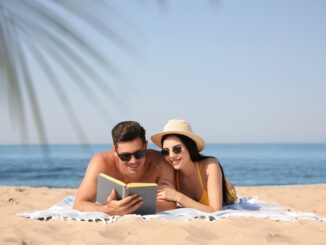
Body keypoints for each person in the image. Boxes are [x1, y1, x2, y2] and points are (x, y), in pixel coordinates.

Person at [73, 121, 176, 215]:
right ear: (115, 151)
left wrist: (128, 208)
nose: (133, 161)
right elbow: (79, 204)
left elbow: (170, 204)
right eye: (125, 156)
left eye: (139, 154)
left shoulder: (161, 162)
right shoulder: (101, 162)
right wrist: (108, 209)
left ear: (145, 146)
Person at [152, 119, 237, 213]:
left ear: (189, 147)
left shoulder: (210, 165)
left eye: (177, 149)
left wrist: (177, 196)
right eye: (165, 151)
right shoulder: (170, 172)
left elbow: (216, 210)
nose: (171, 156)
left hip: (227, 192)